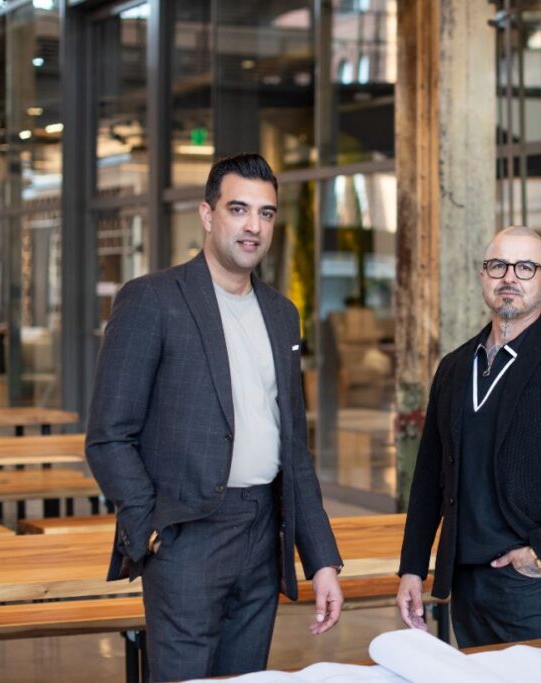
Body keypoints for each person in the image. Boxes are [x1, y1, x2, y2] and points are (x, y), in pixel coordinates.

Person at [86, 153, 343, 681]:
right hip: (187, 534)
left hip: (263, 531)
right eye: (239, 209)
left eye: (266, 214)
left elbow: (293, 449)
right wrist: (151, 527)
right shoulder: (152, 300)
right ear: (208, 215)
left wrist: (321, 560)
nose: (253, 226)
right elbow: (108, 436)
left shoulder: (281, 313)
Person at [395, 226, 541, 647]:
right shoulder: (455, 367)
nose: (509, 277)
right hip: (464, 580)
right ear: (483, 276)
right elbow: (428, 477)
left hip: (531, 584)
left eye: (526, 267)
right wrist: (412, 567)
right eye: (498, 265)